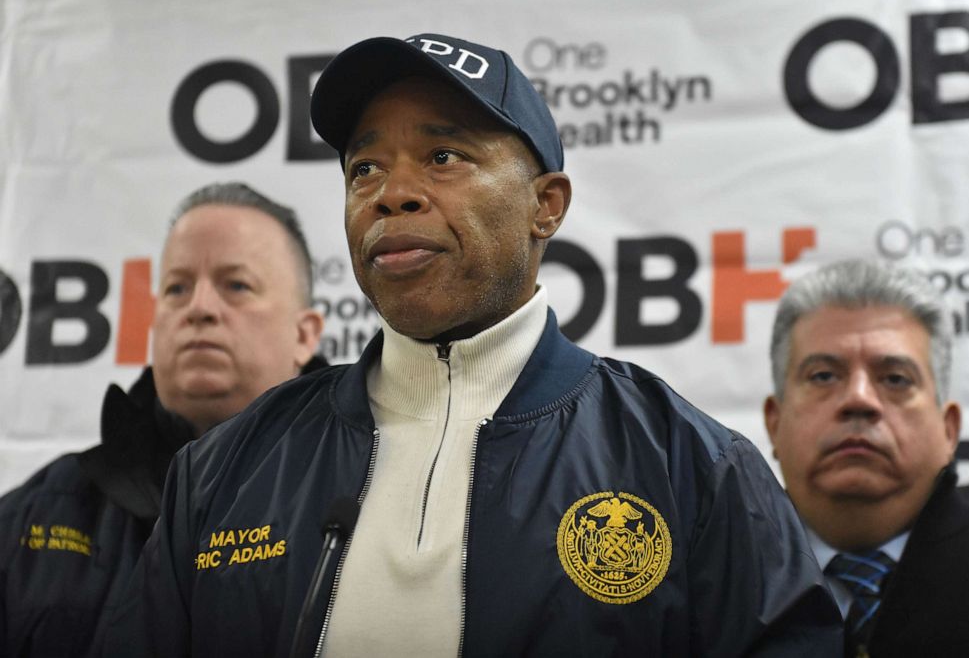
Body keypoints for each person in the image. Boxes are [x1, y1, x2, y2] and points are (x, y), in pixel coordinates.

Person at [106, 34, 840, 657]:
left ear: (545, 205)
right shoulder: (221, 471)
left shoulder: (692, 468)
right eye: (365, 168)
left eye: (444, 157)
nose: (392, 193)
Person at [0, 182, 325, 657]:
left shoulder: (359, 500)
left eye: (236, 285)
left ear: (305, 334)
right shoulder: (34, 518)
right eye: (177, 287)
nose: (199, 308)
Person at [763, 258, 969, 657]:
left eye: (895, 379)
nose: (859, 399)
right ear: (774, 422)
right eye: (823, 375)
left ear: (949, 429)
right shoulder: (710, 582)